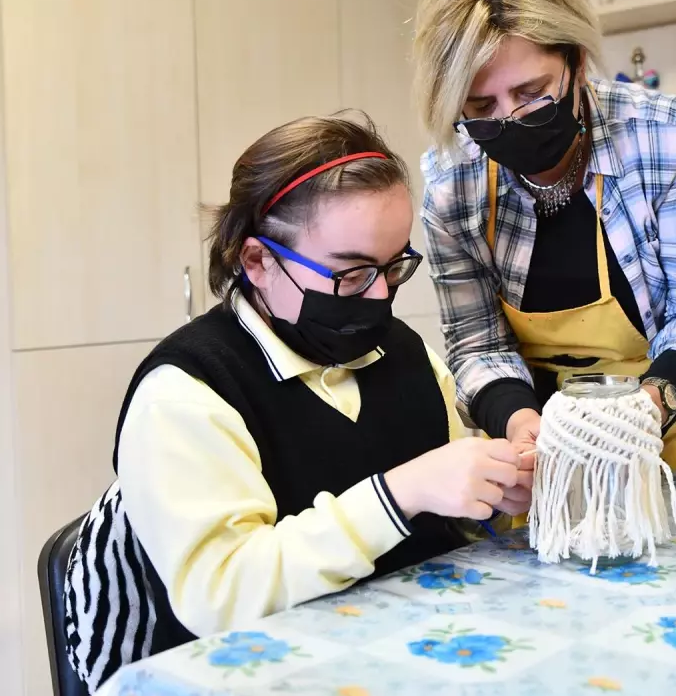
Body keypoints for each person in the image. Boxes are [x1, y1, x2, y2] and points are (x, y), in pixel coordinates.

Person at [63, 113, 529, 692]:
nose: (381, 295)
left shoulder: (403, 353)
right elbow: (223, 596)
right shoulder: (186, 393)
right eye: (352, 271)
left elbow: (448, 497)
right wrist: (400, 493)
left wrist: (498, 488)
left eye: (393, 267)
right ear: (256, 261)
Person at [413, 0, 676, 473]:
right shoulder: (454, 183)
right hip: (538, 451)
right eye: (480, 108)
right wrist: (518, 420)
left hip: (662, 425)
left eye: (531, 92)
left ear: (576, 63)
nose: (510, 119)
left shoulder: (663, 136)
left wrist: (647, 408)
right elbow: (475, 343)